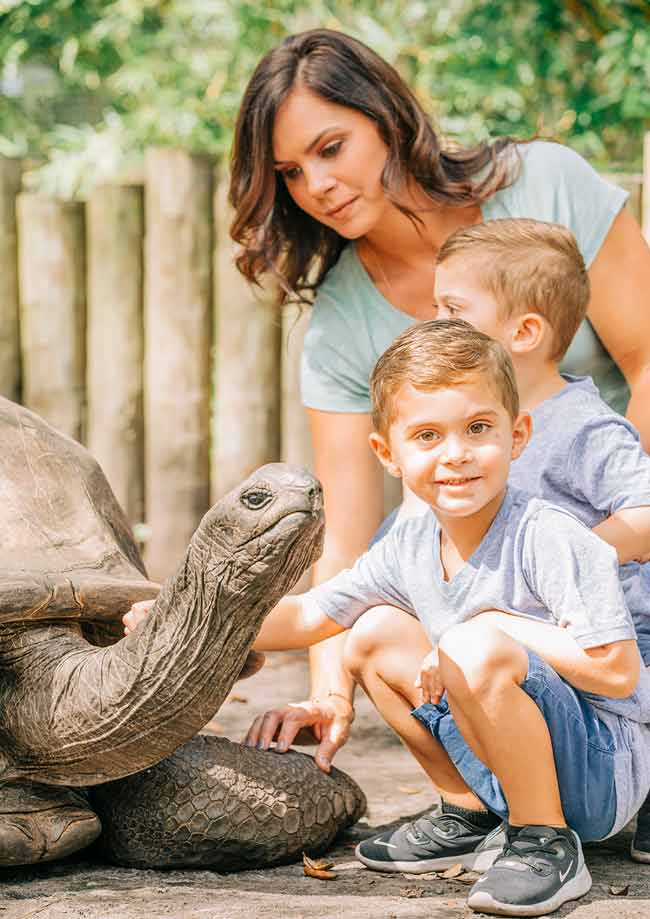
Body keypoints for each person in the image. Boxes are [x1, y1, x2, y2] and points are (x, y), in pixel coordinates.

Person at [229, 28, 650, 773]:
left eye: (331, 148)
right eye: (290, 172)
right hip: (492, 575)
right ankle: (483, 801)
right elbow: (347, 542)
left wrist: (571, 556)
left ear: (388, 120)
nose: (316, 184)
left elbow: (647, 359)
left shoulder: (546, 184)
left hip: (621, 521)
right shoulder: (341, 324)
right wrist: (330, 692)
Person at [243, 320, 650, 916]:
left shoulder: (550, 536)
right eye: (428, 435)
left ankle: (545, 841)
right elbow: (308, 615)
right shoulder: (409, 545)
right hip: (502, 757)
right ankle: (469, 814)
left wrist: (496, 626)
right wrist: (188, 619)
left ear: (517, 435)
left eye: (478, 428)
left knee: (475, 645)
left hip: (598, 773)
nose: (456, 453)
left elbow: (616, 672)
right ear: (388, 453)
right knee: (373, 634)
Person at [431, 217, 650, 862]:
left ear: (523, 333)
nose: (434, 322)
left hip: (611, 631)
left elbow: (645, 511)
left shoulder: (582, 427)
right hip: (528, 629)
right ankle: (489, 806)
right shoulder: (479, 427)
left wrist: (566, 566)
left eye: (453, 310)